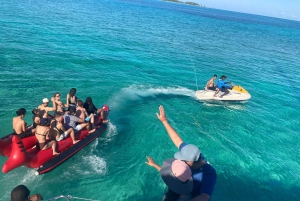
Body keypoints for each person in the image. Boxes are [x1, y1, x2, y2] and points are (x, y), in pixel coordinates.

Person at [156, 105, 216, 201]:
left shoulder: (208, 174)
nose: (180, 161)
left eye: (182, 160)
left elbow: (205, 197)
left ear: (190, 162)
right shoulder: (191, 153)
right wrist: (164, 121)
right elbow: (177, 140)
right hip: (182, 184)